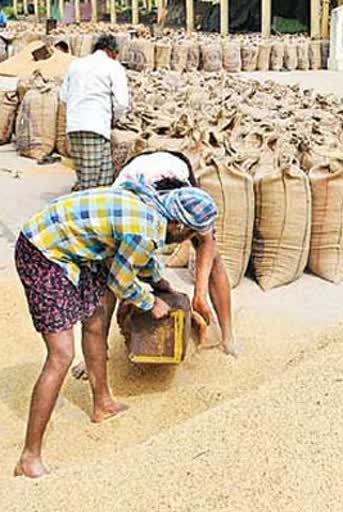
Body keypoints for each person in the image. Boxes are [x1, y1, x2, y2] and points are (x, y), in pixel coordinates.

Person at [13, 181, 218, 478]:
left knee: (96, 319)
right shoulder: (144, 229)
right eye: (190, 235)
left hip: (77, 250)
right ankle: (29, 458)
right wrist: (150, 303)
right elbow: (121, 282)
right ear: (178, 225)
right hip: (42, 252)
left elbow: (139, 258)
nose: (188, 241)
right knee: (61, 355)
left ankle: (103, 404)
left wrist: (159, 282)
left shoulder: (152, 213)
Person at [114, 150, 236, 356]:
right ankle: (98, 351)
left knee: (214, 259)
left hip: (173, 167)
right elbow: (119, 267)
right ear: (176, 225)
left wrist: (200, 294)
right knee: (111, 261)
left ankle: (228, 337)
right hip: (138, 174)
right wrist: (131, 297)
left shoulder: (187, 203)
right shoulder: (130, 205)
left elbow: (207, 242)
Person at [59, 34, 128, 191]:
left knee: (102, 176)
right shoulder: (113, 67)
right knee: (90, 183)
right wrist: (114, 119)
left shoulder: (76, 65)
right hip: (95, 125)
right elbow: (122, 103)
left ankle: (98, 210)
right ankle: (81, 211)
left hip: (75, 126)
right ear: (111, 51)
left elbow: (63, 97)